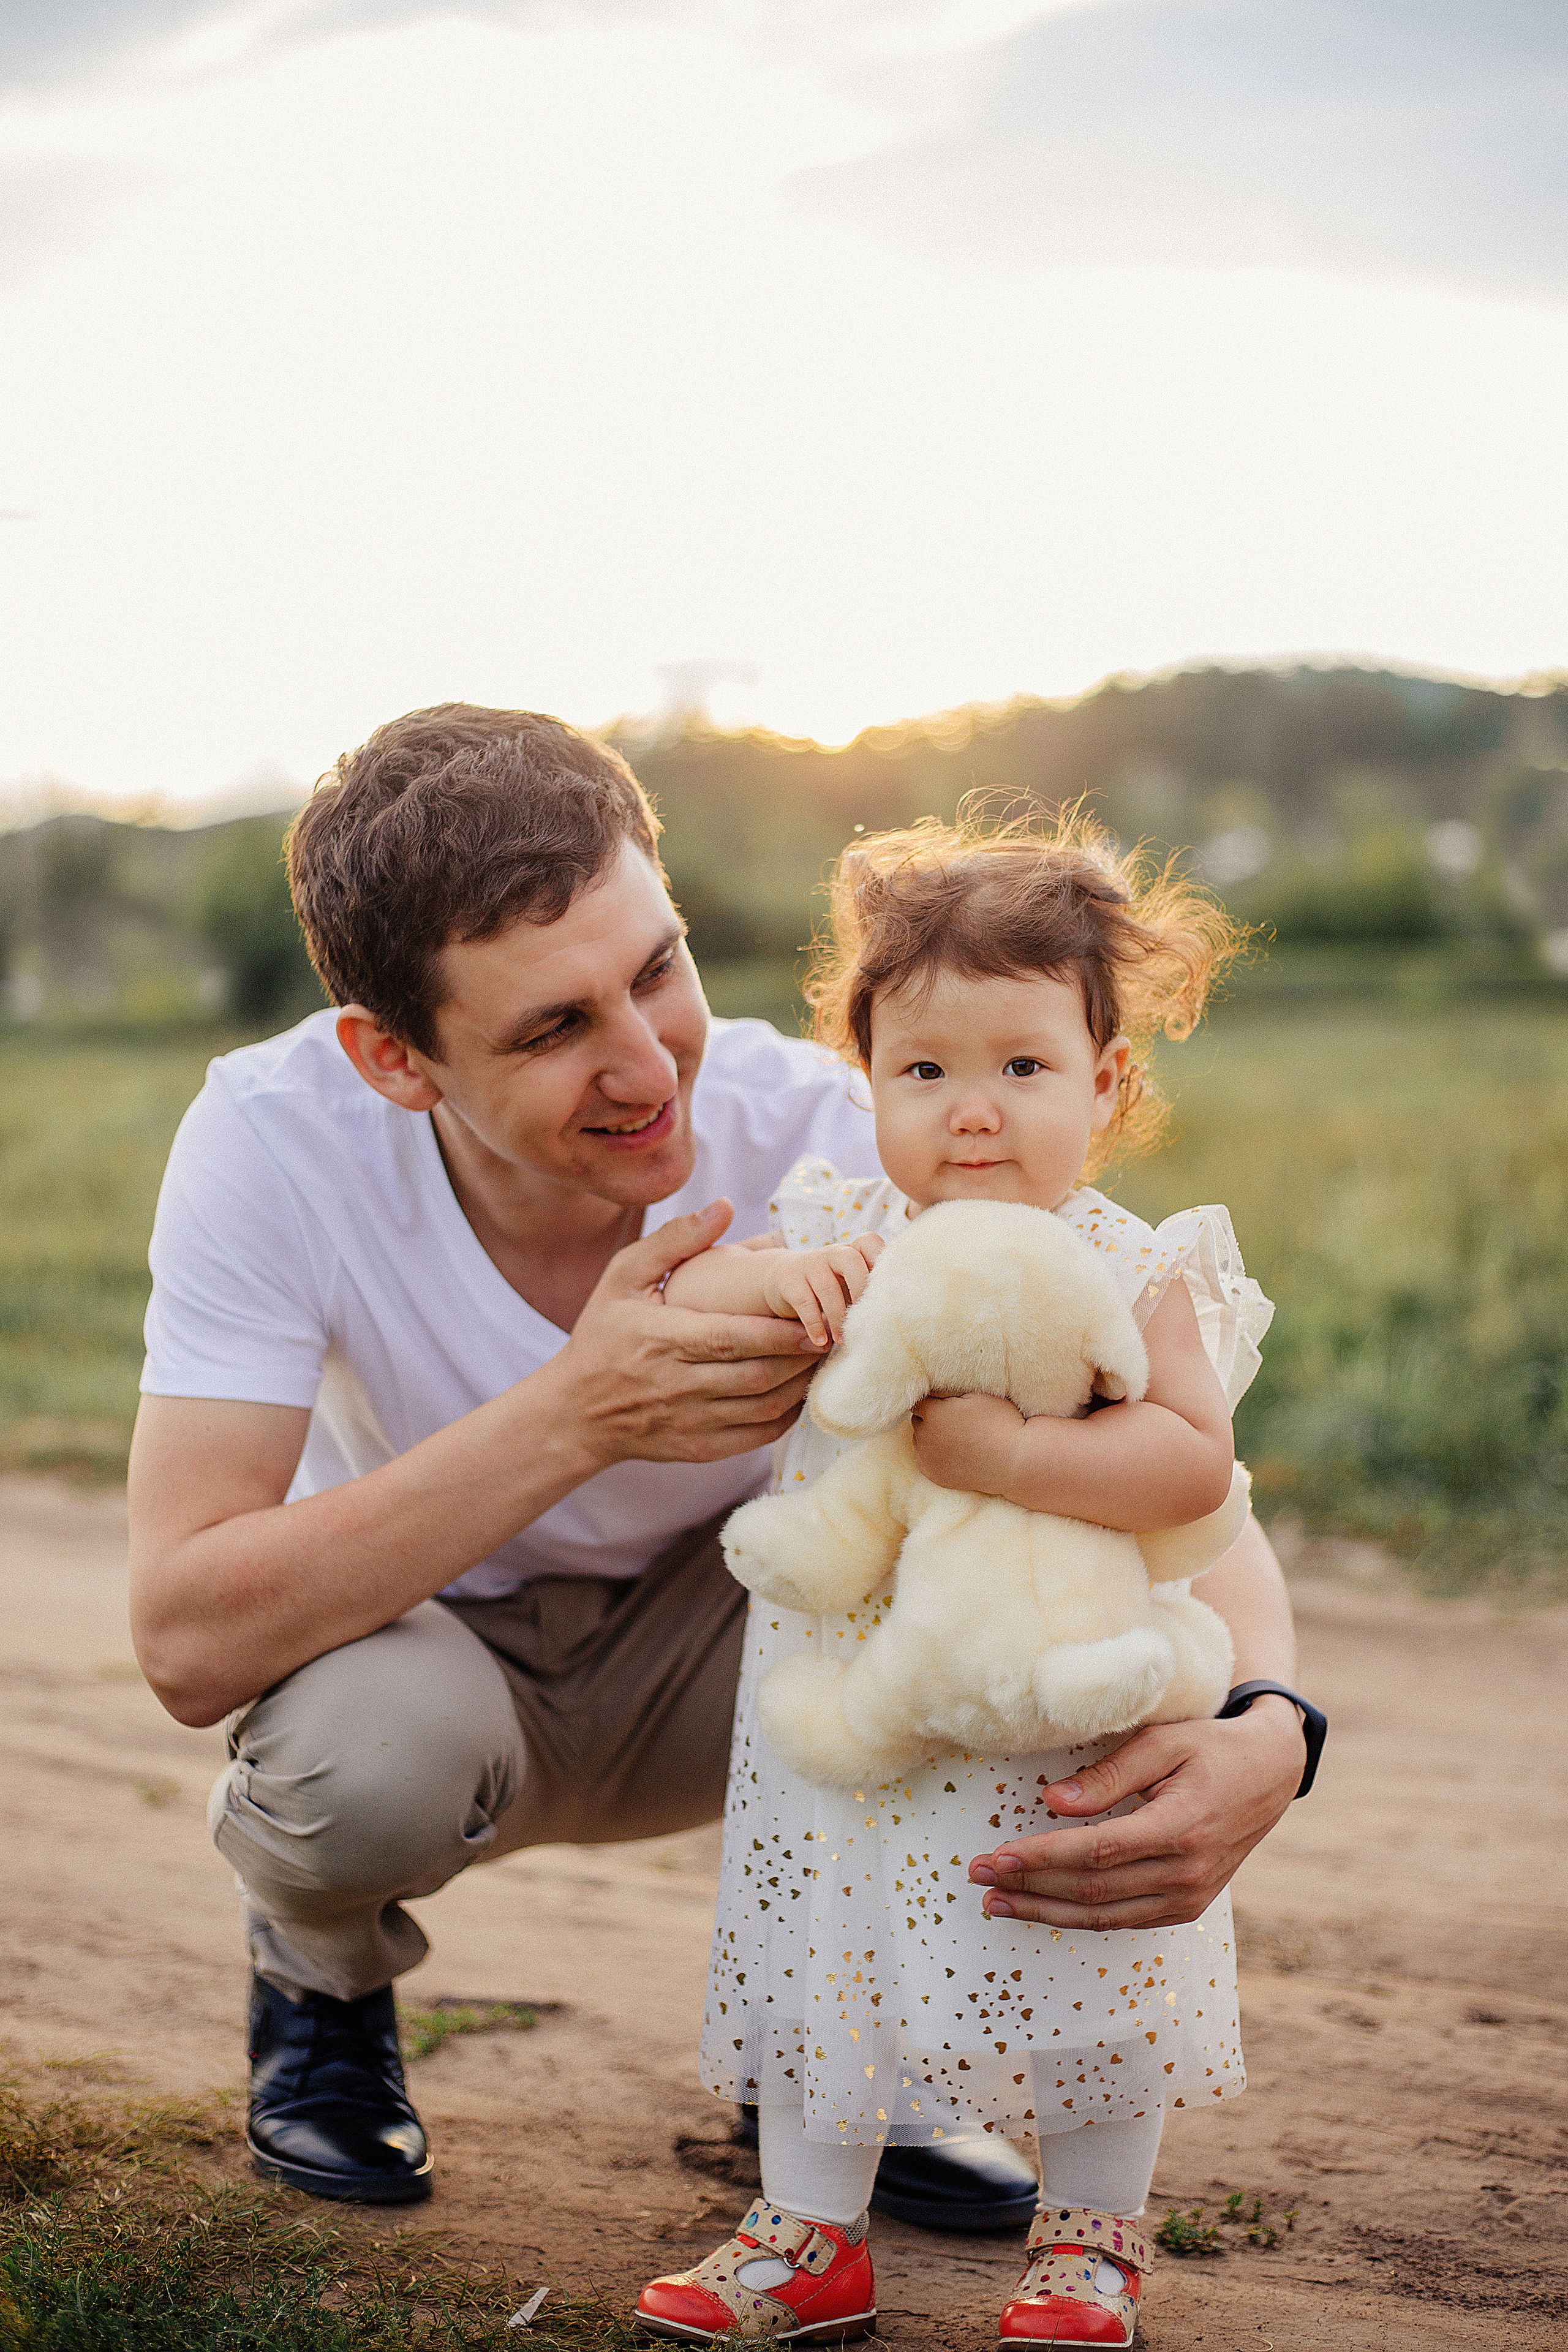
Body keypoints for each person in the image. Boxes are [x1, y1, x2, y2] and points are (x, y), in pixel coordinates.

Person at [126, 707, 1310, 2239]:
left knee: (1007, 1632)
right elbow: (187, 1638)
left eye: (656, 970)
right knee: (355, 1772)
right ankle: (321, 1988)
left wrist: (1268, 1722)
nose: (644, 1066)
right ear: (394, 1059)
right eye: (551, 1029)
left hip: (732, 1640)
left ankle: (826, 2056)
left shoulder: (845, 1122)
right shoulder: (271, 1141)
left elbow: (1148, 1470)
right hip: (433, 1649)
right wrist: (579, 1412)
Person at [635, 811, 1319, 2350]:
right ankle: (809, 2233)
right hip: (856, 1701)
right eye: (924, 1070)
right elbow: (686, 1288)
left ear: (1106, 1082)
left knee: (1092, 1942)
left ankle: (1086, 2244)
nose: (972, 1111)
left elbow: (1188, 1465)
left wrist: (1009, 1453)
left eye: (1022, 1065)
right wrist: (769, 1278)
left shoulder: (1128, 1263)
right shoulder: (848, 1235)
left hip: (1066, 1697)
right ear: (864, 1080)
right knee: (828, 1949)